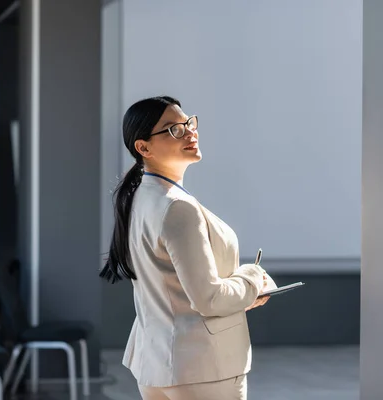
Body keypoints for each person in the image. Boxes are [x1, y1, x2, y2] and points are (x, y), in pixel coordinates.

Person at [100, 96, 276, 400]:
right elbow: (209, 298)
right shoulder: (178, 208)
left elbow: (177, 290)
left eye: (188, 124)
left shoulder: (139, 197)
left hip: (157, 364)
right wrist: (252, 279)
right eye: (173, 130)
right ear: (143, 148)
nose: (189, 133)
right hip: (201, 369)